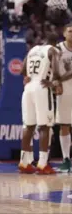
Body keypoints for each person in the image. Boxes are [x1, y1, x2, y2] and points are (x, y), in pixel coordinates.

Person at [19, 33, 60, 174]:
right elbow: (56, 70)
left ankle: (24, 162)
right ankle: (42, 163)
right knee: (45, 127)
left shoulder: (32, 50)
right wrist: (54, 82)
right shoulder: (53, 50)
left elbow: (22, 70)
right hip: (42, 87)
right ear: (54, 43)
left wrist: (29, 77)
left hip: (29, 88)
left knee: (28, 126)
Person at [55, 23, 72, 173]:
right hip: (64, 90)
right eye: (70, 31)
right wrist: (56, 84)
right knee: (64, 125)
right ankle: (66, 159)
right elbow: (52, 68)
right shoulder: (58, 49)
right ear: (64, 33)